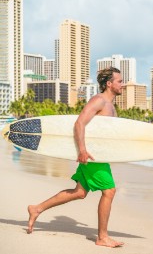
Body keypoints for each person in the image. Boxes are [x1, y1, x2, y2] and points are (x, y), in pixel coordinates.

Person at [27, 67, 124, 248]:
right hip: (91, 156)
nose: (123, 84)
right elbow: (79, 123)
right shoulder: (99, 101)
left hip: (98, 156)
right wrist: (82, 150)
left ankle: (36, 208)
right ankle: (102, 237)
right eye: (119, 81)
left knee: (79, 192)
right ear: (109, 84)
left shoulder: (111, 106)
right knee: (109, 191)